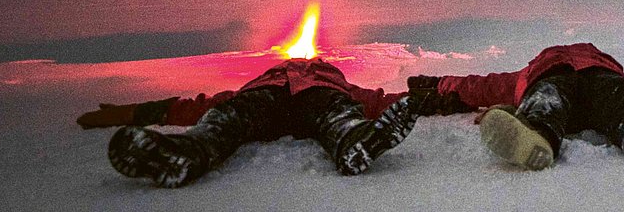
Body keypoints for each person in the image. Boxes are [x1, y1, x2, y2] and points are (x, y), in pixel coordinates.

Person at [76, 57, 423, 188]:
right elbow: (199, 106)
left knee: (339, 111)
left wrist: (430, 99)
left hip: (317, 102)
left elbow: (379, 101)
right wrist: (132, 112)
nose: (303, 63)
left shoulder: (333, 84)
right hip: (264, 102)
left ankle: (355, 141)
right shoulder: (262, 84)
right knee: (226, 115)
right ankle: (186, 152)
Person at [409, 42, 624, 170]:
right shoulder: (538, 73)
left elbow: (480, 85)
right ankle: (533, 138)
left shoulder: (537, 72)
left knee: (621, 94)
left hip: (597, 80)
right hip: (566, 80)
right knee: (558, 96)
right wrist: (435, 83)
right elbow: (479, 85)